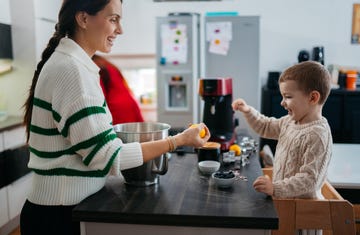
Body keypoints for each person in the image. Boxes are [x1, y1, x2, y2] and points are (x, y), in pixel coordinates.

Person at [20, 0, 210, 234]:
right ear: (83, 19)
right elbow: (108, 157)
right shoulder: (72, 71)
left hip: (59, 207)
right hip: (58, 215)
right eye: (113, 19)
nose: (120, 30)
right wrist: (177, 140)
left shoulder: (73, 65)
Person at [233, 61, 332, 199]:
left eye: (288, 96)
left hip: (303, 211)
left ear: (313, 97)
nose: (282, 102)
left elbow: (310, 179)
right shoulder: (289, 121)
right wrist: (248, 111)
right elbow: (265, 126)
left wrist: (275, 188)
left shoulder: (318, 134)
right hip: (283, 202)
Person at [93, 54, 145, 124]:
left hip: (116, 109)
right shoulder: (110, 66)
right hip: (131, 104)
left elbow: (100, 97)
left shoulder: (95, 67)